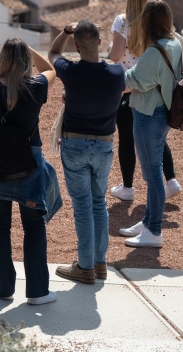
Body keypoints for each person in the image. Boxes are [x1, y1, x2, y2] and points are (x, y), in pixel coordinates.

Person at [0, 39, 57, 305]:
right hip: (29, 162)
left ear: (2, 60)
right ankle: (38, 292)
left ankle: (4, 288)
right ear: (24, 61)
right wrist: (28, 48)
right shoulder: (37, 86)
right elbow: (51, 68)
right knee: (33, 225)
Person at [48, 21, 125, 285]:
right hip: (104, 144)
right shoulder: (117, 74)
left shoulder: (70, 71)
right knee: (99, 203)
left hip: (75, 144)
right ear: (100, 43)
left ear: (77, 47)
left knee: (82, 206)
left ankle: (84, 266)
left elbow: (53, 54)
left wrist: (66, 33)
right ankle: (99, 263)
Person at [108, 0, 181, 202]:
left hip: (127, 86)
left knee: (127, 138)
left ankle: (128, 188)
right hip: (154, 86)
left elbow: (115, 55)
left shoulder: (122, 21)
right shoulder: (159, 23)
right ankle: (171, 180)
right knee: (157, 136)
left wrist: (112, 44)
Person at [120, 0, 183, 248]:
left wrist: (113, 72)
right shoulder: (174, 42)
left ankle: (154, 231)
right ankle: (148, 222)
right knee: (154, 172)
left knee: (153, 176)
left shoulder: (154, 53)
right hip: (163, 111)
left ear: (147, 23)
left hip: (148, 114)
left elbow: (130, 82)